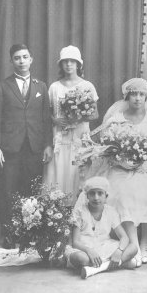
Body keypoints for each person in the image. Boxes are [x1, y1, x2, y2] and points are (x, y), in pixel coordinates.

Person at [88, 78, 147, 267]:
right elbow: (105, 147)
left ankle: (145, 243)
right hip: (120, 169)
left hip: (146, 169)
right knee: (123, 193)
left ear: (146, 97)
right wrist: (119, 160)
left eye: (141, 95)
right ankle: (134, 244)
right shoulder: (116, 119)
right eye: (133, 94)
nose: (137, 98)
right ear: (127, 96)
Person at [0, 44, 53, 248]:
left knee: (32, 189)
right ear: (12, 61)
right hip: (10, 147)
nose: (21, 61)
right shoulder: (3, 86)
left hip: (34, 146)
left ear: (31, 59)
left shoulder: (41, 86)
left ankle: (31, 232)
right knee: (10, 190)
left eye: (25, 57)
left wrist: (47, 145)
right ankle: (10, 233)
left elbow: (46, 119)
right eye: (17, 58)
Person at [44, 45, 98, 206]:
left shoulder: (87, 86)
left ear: (78, 64)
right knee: (58, 174)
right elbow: (45, 115)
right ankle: (57, 216)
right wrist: (54, 120)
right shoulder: (54, 87)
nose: (69, 65)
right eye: (65, 61)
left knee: (77, 173)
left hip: (79, 137)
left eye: (72, 61)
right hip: (60, 137)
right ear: (61, 65)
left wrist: (79, 116)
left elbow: (95, 114)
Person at [65, 177, 138, 279]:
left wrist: (119, 251)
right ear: (87, 196)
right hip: (84, 248)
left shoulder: (110, 211)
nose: (96, 197)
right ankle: (121, 263)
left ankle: (97, 268)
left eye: (100, 193)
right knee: (82, 259)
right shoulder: (80, 212)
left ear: (106, 196)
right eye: (92, 193)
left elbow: (124, 237)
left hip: (104, 245)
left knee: (134, 247)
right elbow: (75, 242)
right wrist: (89, 251)